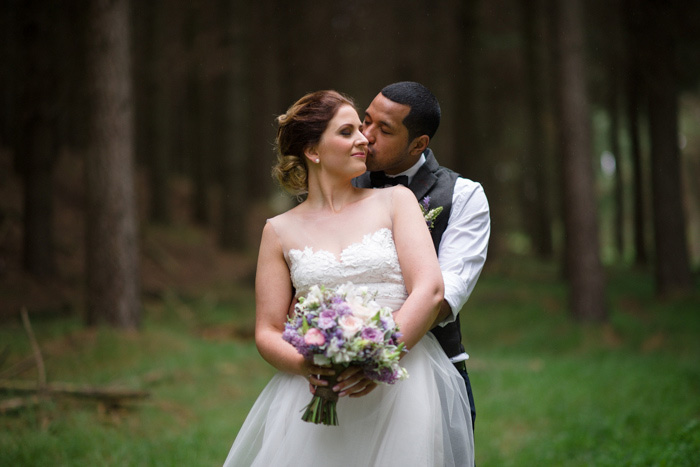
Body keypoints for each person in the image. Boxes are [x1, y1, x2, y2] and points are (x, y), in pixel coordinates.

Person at [223, 90, 474, 466]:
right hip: (320, 389)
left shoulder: (395, 202)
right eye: (347, 132)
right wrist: (309, 365)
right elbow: (267, 330)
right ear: (313, 151)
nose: (364, 139)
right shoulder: (278, 230)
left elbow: (431, 288)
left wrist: (377, 359)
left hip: (403, 383)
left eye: (362, 128)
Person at [354, 81, 491, 429]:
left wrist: (376, 355)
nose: (366, 135)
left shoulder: (463, 195)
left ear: (419, 144)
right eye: (365, 120)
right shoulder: (343, 182)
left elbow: (444, 296)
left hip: (433, 373)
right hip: (344, 369)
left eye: (384, 130)